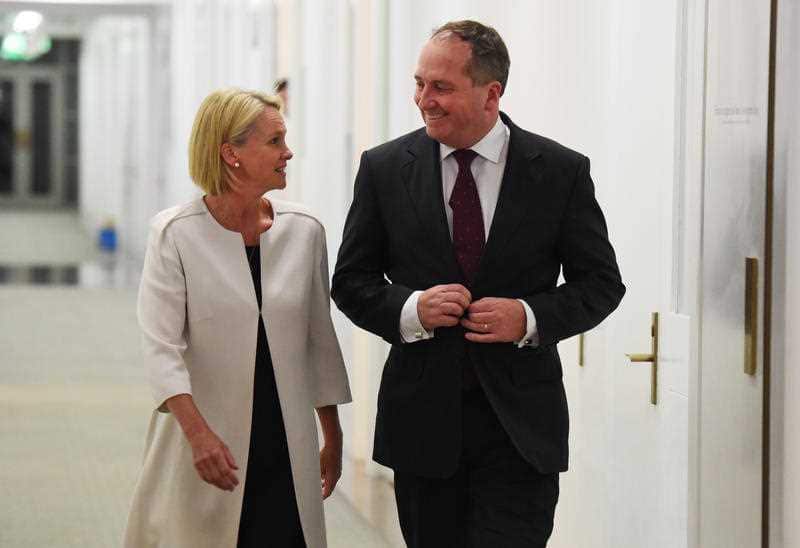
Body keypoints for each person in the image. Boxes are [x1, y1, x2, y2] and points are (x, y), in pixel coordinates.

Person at [332, 20, 624, 548]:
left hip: (520, 433)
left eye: (441, 86)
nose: (424, 99)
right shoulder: (383, 169)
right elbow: (351, 282)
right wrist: (411, 309)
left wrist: (529, 318)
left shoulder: (559, 171)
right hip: (422, 429)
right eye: (419, 83)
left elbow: (602, 283)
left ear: (491, 94)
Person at [124, 88, 351, 548]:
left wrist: (332, 435)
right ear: (231, 153)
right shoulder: (175, 234)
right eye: (275, 141)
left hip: (286, 442)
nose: (288, 153)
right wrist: (199, 436)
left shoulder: (304, 231)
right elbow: (160, 349)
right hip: (207, 442)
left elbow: (319, 342)